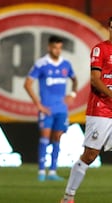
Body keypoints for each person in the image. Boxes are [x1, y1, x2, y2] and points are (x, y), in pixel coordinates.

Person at [61, 15, 112, 203]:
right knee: (90, 155)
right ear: (109, 29)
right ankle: (68, 196)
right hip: (100, 110)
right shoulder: (100, 49)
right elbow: (94, 79)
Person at [24, 36, 77, 181]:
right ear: (49, 47)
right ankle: (41, 172)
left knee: (57, 138)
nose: (57, 50)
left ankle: (52, 172)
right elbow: (27, 84)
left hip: (62, 109)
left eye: (60, 48)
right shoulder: (41, 64)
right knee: (44, 137)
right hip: (46, 108)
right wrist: (38, 105)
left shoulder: (66, 64)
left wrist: (72, 93)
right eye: (55, 47)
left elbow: (74, 79)